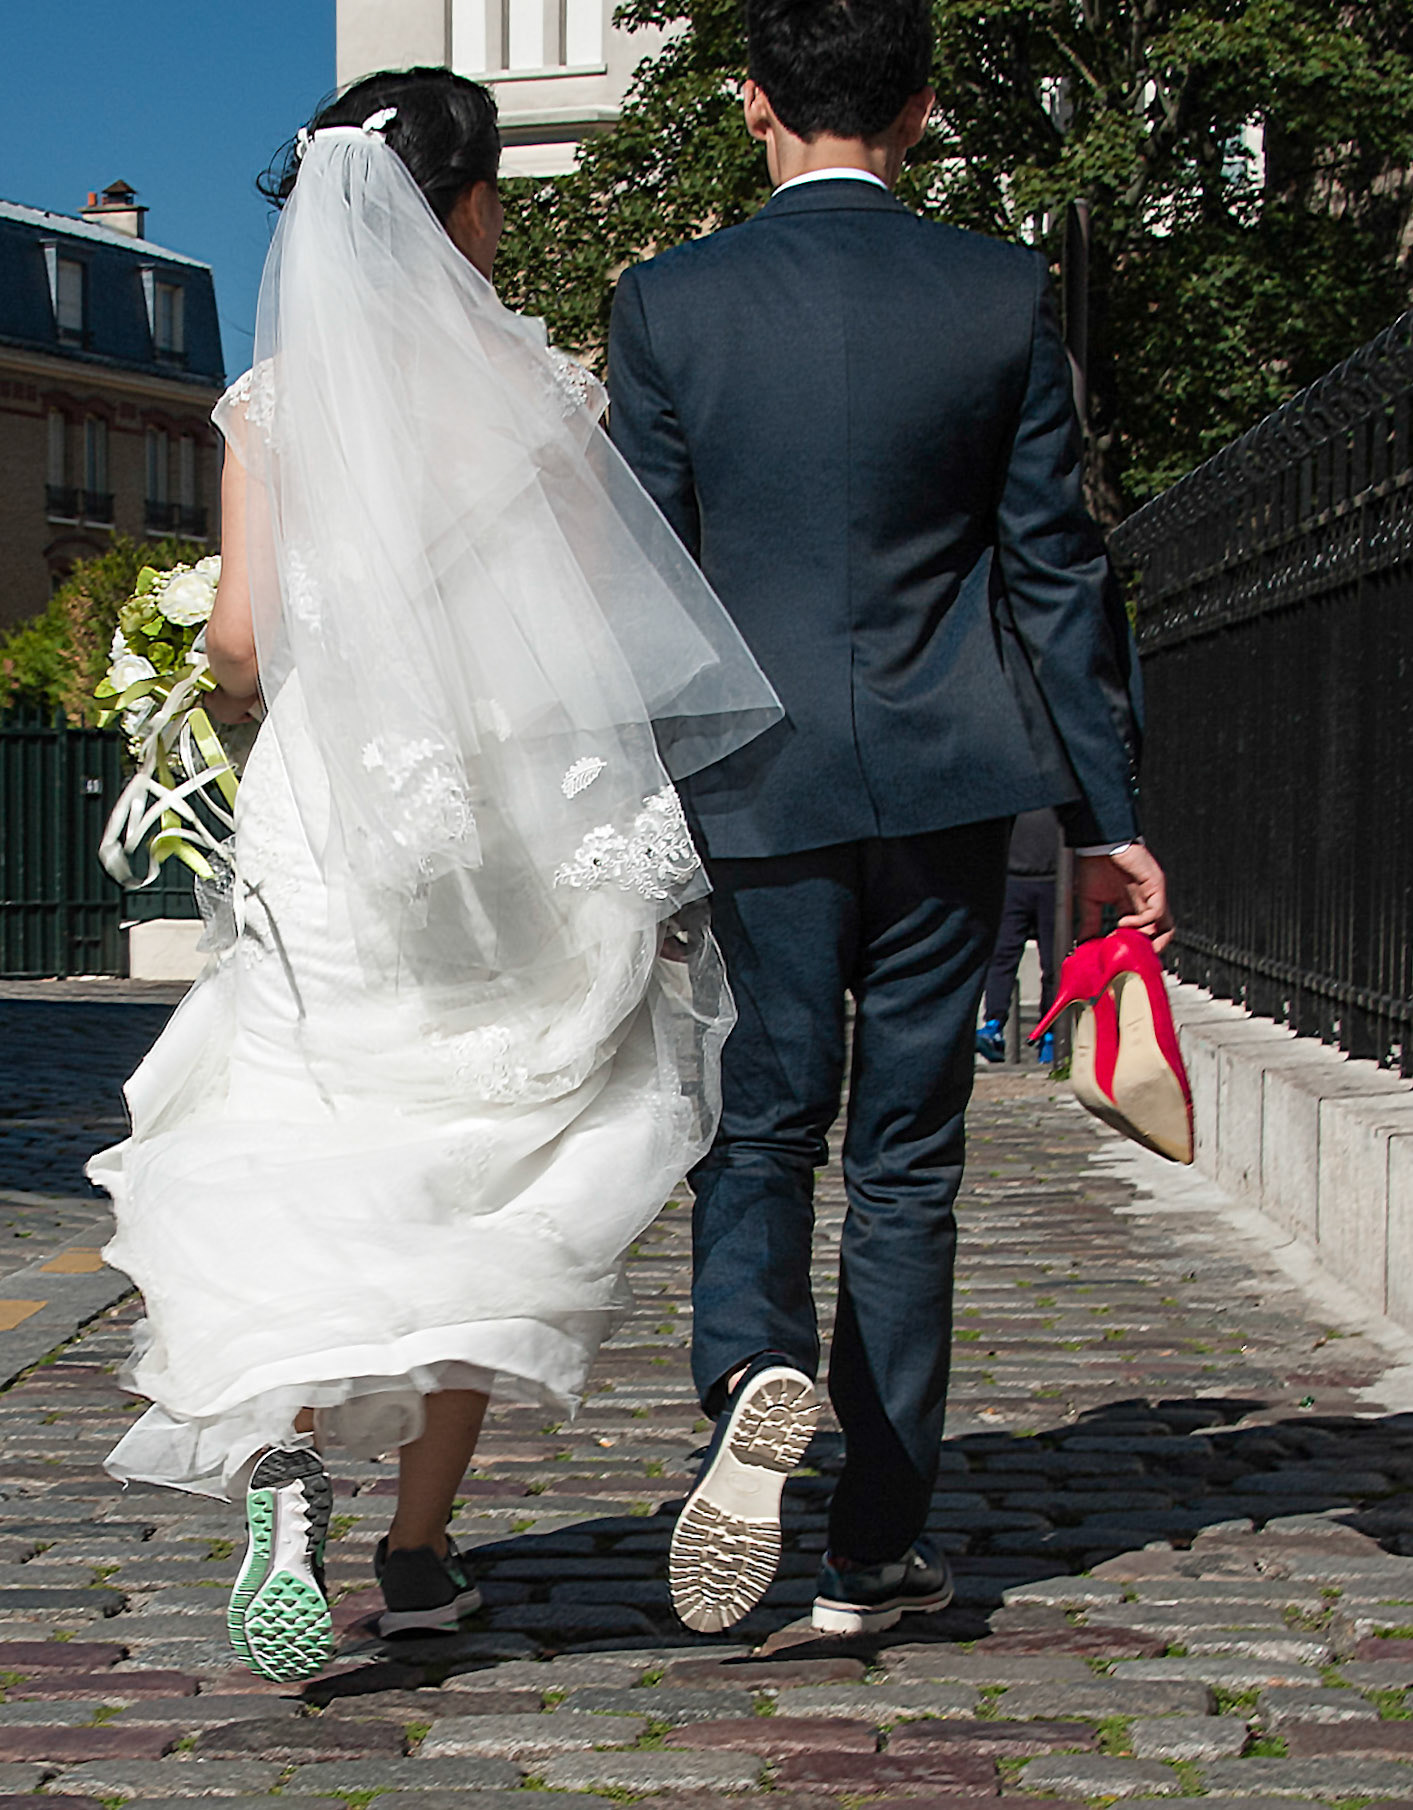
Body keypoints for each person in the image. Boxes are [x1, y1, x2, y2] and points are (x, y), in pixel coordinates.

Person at [86, 68, 779, 1683]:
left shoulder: (271, 408)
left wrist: (245, 698)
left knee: (303, 1134)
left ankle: (283, 1442)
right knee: (503, 1162)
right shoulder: (540, 389)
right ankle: (414, 1550)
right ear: (470, 206)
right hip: (516, 825)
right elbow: (604, 636)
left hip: (337, 822)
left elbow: (241, 643)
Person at [608, 0, 1172, 1637]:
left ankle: (749, 1367)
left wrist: (625, 798)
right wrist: (1105, 814)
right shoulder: (995, 292)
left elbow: (637, 578)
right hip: (948, 780)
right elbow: (1056, 572)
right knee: (909, 1160)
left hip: (751, 786)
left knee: (760, 1126)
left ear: (751, 104)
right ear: (921, 112)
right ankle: (872, 1549)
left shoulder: (669, 302)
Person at [976, 808, 1060, 1065]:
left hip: (1055, 880)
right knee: (1002, 955)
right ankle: (993, 1025)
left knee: (1054, 963)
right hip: (1013, 878)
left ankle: (1050, 1033)